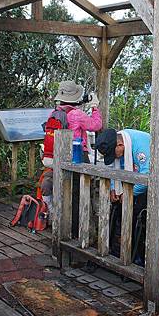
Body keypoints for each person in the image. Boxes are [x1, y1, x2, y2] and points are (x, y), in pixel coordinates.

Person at [52, 80, 102, 236]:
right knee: (80, 194)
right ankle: (78, 231)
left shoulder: (56, 113)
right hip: (78, 155)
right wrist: (94, 107)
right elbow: (96, 125)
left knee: (65, 192)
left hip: (60, 156)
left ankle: (63, 227)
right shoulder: (76, 114)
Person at [96, 128, 150, 264]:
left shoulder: (140, 147)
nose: (114, 158)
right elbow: (116, 168)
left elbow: (147, 176)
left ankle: (139, 254)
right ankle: (119, 248)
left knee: (138, 211)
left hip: (156, 179)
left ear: (120, 145)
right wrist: (114, 188)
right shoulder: (118, 140)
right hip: (135, 179)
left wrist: (128, 193)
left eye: (114, 154)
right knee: (119, 207)